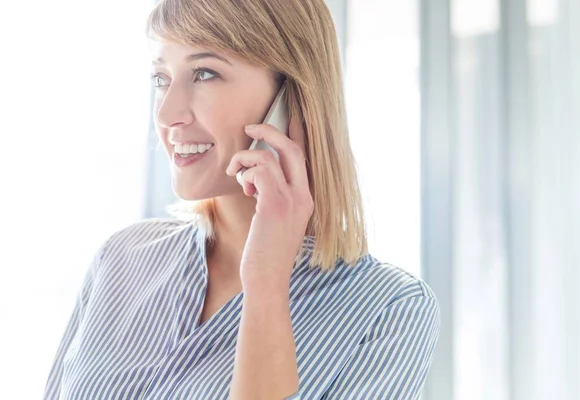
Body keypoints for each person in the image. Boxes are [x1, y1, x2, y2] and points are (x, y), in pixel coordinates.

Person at [43, 0, 441, 398]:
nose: (167, 114)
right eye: (161, 77)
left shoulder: (390, 312)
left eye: (204, 73)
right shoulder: (122, 259)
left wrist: (266, 283)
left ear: (291, 100)